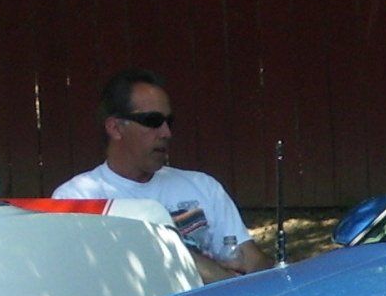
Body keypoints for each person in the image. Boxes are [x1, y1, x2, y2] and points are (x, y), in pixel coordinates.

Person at [54, 69, 273, 282]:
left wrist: (252, 273)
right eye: (152, 121)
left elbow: (255, 263)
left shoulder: (203, 186)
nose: (166, 133)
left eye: (169, 122)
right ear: (115, 128)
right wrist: (216, 275)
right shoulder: (77, 199)